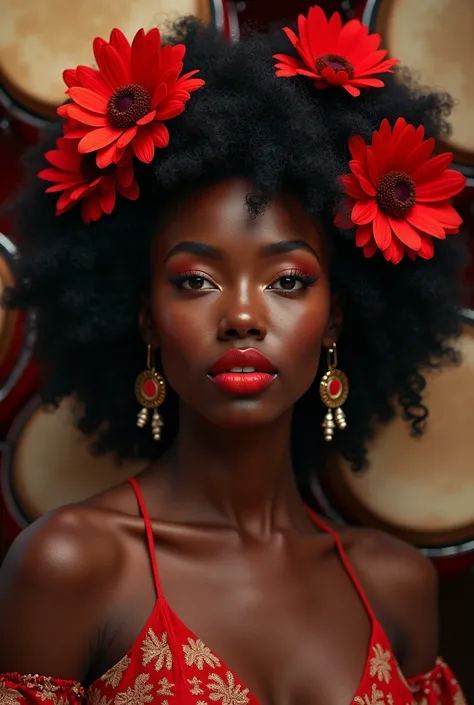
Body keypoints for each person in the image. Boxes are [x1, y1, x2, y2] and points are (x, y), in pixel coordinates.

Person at [0, 7, 467, 704]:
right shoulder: (73, 565)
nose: (243, 316)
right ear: (146, 319)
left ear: (334, 316)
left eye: (288, 281)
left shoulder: (394, 584)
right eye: (196, 280)